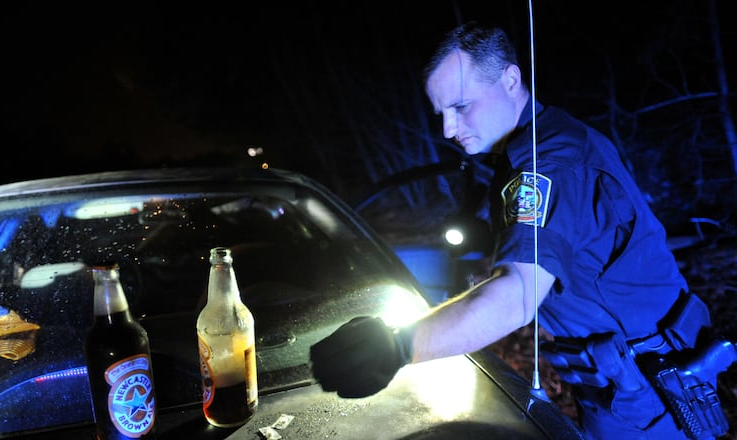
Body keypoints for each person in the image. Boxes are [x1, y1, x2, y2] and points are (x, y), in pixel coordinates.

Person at [309, 21, 734, 439]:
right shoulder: (539, 143)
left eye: (460, 106)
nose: (447, 129)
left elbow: (518, 296)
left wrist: (396, 347)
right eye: (440, 114)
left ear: (511, 79)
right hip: (623, 383)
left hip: (648, 391)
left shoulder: (547, 163)